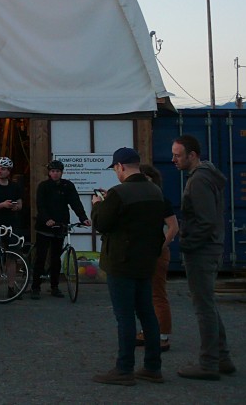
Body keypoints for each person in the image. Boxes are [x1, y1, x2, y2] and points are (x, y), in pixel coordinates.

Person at [90, 147, 167, 386]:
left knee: (124, 317)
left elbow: (102, 224)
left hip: (121, 262)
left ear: (120, 167)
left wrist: (97, 205)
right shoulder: (155, 191)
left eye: (115, 169)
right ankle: (153, 367)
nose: (116, 173)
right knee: (147, 313)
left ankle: (124, 369)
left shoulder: (119, 193)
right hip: (146, 261)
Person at [172, 134, 235, 380]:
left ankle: (209, 364)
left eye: (178, 155)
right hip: (211, 247)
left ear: (193, 155)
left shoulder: (198, 181)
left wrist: (187, 243)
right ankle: (222, 358)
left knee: (204, 307)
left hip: (202, 251)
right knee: (207, 303)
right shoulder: (207, 176)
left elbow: (205, 221)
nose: (173, 159)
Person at [30, 159, 91, 300]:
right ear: (49, 173)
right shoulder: (43, 186)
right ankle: (35, 287)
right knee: (41, 257)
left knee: (56, 258)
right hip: (44, 227)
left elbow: (75, 202)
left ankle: (54, 287)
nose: (55, 174)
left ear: (61, 172)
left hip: (61, 225)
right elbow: (40, 205)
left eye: (57, 171)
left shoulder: (67, 186)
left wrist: (83, 217)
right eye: (52, 171)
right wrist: (46, 219)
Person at [136, 164, 179, 352]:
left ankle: (162, 335)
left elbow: (173, 227)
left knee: (157, 293)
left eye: (146, 178)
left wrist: (161, 246)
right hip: (143, 252)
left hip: (156, 253)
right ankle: (149, 331)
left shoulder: (161, 199)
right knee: (145, 294)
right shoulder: (141, 199)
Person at [0, 156, 26, 298]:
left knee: (12, 257)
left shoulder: (15, 187)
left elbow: (20, 204)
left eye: (3, 169)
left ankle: (11, 287)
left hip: (12, 224)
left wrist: (16, 207)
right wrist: (3, 205)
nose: (0, 171)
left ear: (9, 171)